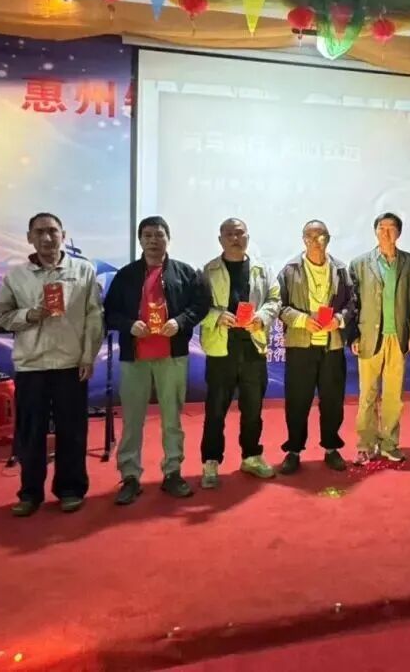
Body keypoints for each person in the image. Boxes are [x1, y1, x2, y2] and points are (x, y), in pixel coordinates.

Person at [0, 213, 104, 516]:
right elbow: (2, 315)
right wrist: (30, 315)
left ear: (63, 235)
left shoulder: (83, 270)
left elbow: (94, 316)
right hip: (32, 364)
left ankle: (71, 489)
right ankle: (30, 493)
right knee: (31, 433)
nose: (46, 237)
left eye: (53, 231)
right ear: (30, 237)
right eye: (39, 232)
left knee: (72, 430)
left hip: (70, 362)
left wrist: (88, 355)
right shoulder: (16, 276)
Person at [104, 216, 211, 505]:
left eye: (159, 235)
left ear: (168, 238)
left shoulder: (185, 273)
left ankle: (172, 472)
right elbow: (109, 313)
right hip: (135, 358)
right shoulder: (126, 275)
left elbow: (202, 304)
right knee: (132, 420)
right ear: (140, 240)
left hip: (172, 356)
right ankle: (130, 475)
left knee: (172, 419)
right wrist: (129, 325)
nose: (153, 240)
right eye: (148, 235)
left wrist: (180, 321)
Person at [198, 218, 281, 488]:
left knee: (253, 409)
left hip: (253, 346)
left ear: (248, 237)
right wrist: (216, 316)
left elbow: (275, 299)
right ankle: (211, 461)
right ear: (220, 239)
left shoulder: (263, 270)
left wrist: (262, 317)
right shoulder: (208, 271)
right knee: (215, 410)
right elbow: (197, 306)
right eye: (229, 234)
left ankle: (252, 456)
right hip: (221, 349)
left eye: (240, 233)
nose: (235, 238)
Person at [276, 220, 356, 474]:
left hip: (332, 345)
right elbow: (278, 305)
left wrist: (339, 319)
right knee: (297, 400)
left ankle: (331, 448)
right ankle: (293, 450)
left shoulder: (340, 269)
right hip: (301, 344)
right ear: (303, 240)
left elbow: (352, 303)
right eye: (310, 236)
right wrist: (302, 320)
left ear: (328, 239)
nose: (315, 241)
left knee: (333, 400)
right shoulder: (290, 269)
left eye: (320, 236)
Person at [348, 213, 410, 464]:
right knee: (367, 395)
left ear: (399, 233)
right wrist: (353, 335)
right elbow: (352, 304)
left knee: (393, 397)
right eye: (381, 228)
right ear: (375, 231)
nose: (386, 232)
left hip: (397, 337)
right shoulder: (360, 264)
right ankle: (365, 445)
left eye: (391, 228)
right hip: (369, 337)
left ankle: (390, 444)